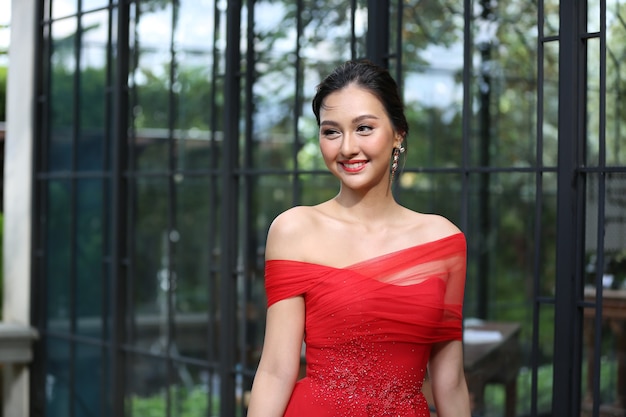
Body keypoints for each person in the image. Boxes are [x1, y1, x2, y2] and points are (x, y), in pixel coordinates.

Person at [247, 59, 471, 417]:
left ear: (398, 133)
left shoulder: (444, 242)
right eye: (331, 131)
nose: (347, 147)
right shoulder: (295, 230)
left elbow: (451, 382)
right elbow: (275, 369)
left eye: (364, 128)